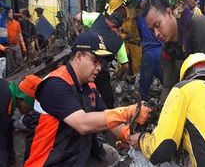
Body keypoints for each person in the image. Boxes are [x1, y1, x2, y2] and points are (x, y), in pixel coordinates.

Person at [23, 32, 151, 166]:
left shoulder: (89, 85)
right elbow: (82, 124)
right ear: (78, 57)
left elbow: (106, 116)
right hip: (50, 160)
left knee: (111, 156)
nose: (99, 67)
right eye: (95, 60)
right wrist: (128, 113)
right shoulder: (55, 84)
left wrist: (128, 136)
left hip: (73, 152)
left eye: (100, 62)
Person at [74, 4, 129, 108]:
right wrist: (118, 76)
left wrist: (80, 29)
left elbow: (77, 16)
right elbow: (125, 66)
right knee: (107, 101)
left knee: (77, 90)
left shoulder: (98, 18)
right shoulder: (119, 41)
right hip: (100, 70)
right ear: (118, 27)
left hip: (81, 62)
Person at [0, 74, 42, 167]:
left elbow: (7, 131)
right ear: (23, 99)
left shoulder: (8, 90)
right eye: (30, 107)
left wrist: (11, 161)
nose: (29, 111)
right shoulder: (3, 102)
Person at [136, 0, 163, 101]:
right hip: (161, 52)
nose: (140, 5)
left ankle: (143, 111)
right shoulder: (159, 15)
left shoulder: (140, 18)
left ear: (144, 1)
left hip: (149, 54)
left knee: (144, 88)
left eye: (140, 2)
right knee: (167, 83)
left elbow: (139, 34)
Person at [6, 9, 27, 75]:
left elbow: (20, 35)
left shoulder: (16, 23)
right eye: (10, 12)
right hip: (8, 47)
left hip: (16, 46)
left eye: (12, 12)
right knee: (11, 65)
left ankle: (22, 76)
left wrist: (23, 47)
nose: (11, 14)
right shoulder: (3, 24)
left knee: (20, 62)